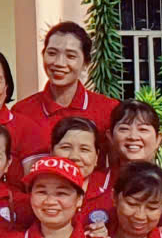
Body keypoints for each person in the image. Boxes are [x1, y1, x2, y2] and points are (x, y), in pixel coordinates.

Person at [7, 22, 116, 161]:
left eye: (70, 56)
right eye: (52, 53)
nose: (59, 63)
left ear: (86, 63)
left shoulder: (108, 110)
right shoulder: (22, 111)